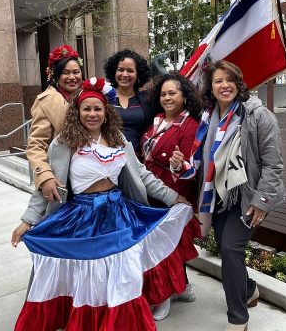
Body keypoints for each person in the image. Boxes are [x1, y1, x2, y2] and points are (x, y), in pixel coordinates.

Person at [11, 77, 199, 331]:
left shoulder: (118, 139)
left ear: (106, 111)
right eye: (86, 108)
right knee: (89, 279)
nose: (92, 114)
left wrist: (172, 197)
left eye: (97, 108)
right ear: (77, 112)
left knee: (122, 277)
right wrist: (28, 220)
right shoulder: (63, 143)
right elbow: (46, 187)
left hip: (119, 214)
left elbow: (142, 174)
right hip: (81, 218)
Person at [177, 60, 285, 331]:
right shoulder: (206, 116)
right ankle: (248, 289)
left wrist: (262, 201)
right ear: (210, 88)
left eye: (230, 80)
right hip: (219, 197)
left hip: (248, 197)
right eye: (218, 81)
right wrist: (182, 165)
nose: (224, 85)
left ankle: (238, 319)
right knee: (227, 249)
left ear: (239, 84)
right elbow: (202, 160)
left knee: (230, 247)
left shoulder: (258, 116)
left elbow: (273, 164)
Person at [141, 73, 202, 321]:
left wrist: (179, 165)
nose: (167, 98)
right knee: (160, 247)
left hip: (174, 197)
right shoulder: (156, 120)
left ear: (184, 96)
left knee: (166, 250)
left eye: (172, 93)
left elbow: (191, 166)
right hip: (150, 194)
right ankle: (182, 289)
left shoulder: (191, 126)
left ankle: (164, 296)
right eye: (163, 93)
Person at [26, 44, 83, 202]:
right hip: (64, 175)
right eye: (65, 73)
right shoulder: (46, 101)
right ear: (55, 76)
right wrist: (45, 176)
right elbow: (36, 145)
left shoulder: (90, 96)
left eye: (76, 72)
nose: (72, 77)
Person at [103, 49, 154, 157]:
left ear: (138, 74)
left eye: (130, 71)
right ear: (114, 71)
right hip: (108, 159)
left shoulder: (148, 99)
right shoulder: (103, 98)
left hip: (138, 160)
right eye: (120, 70)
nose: (124, 74)